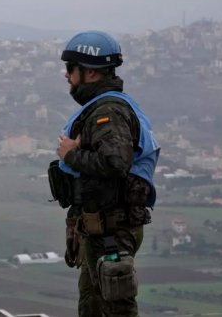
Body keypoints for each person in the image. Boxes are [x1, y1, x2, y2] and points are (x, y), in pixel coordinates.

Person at [54, 31, 160, 317]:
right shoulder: (104, 107)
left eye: (70, 68)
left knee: (115, 308)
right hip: (100, 228)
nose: (66, 75)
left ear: (89, 73)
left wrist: (71, 155)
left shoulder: (109, 110)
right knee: (93, 305)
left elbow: (115, 163)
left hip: (112, 229)